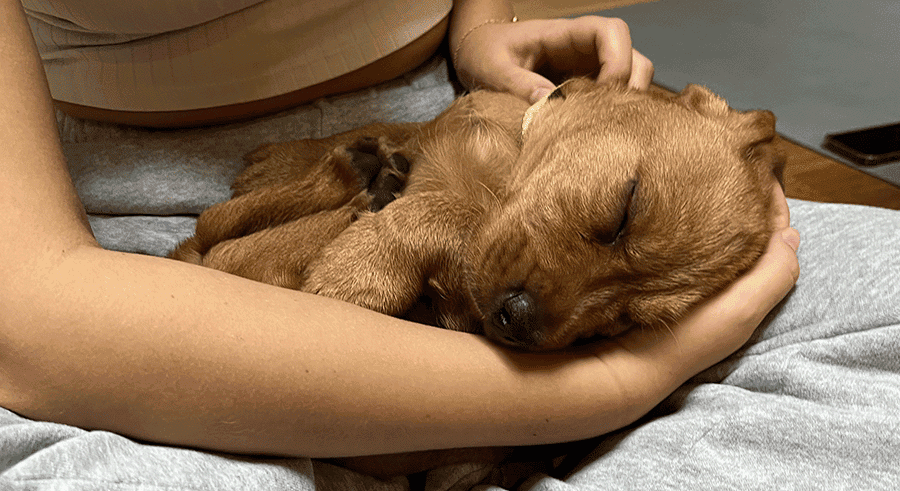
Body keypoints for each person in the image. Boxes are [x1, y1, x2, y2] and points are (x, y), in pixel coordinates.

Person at [0, 0, 799, 481]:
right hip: (116, 225)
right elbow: (35, 321)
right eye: (614, 216)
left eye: (625, 314)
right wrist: (620, 381)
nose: (542, 307)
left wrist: (480, 30)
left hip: (461, 111)